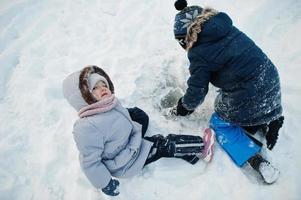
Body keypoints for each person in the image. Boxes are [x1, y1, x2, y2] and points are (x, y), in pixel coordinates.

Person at [170, 0, 284, 184]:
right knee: (231, 97)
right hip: (270, 81)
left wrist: (183, 107)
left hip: (251, 95)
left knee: (219, 123)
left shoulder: (198, 52)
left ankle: (257, 161)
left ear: (186, 38)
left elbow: (197, 91)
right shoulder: (226, 28)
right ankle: (271, 118)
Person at [62, 65, 215, 196]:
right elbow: (89, 163)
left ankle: (187, 154)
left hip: (125, 140)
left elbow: (114, 119)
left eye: (103, 84)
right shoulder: (86, 128)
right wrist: (105, 184)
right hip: (126, 161)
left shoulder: (106, 103)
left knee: (139, 116)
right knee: (162, 144)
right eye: (94, 88)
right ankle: (202, 147)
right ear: (83, 97)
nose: (102, 89)